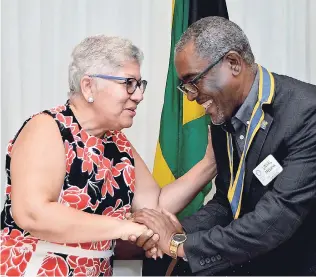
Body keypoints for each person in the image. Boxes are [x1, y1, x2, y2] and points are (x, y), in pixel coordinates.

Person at [0, 35, 217, 277]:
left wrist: (209, 164)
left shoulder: (118, 141)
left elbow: (155, 206)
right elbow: (32, 213)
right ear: (88, 86)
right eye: (128, 83)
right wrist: (123, 228)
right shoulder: (47, 127)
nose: (139, 95)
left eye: (139, 84)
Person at [132, 16, 316, 276]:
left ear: (233, 63)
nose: (192, 96)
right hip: (250, 254)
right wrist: (177, 230)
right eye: (185, 87)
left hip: (294, 262)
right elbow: (226, 201)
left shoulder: (307, 113)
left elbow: (278, 216)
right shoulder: (222, 115)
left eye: (194, 81)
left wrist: (178, 244)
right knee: (159, 266)